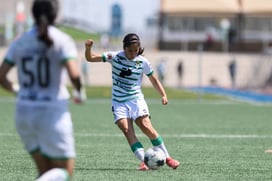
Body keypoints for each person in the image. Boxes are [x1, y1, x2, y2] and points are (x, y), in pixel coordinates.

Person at [0, 0, 85, 180]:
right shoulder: (62, 40)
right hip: (52, 113)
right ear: (55, 15)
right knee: (65, 171)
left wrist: (17, 90)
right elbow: (74, 75)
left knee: (46, 172)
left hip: (23, 113)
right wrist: (79, 92)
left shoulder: (20, 41)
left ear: (33, 15)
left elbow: (2, 76)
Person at [84, 33, 180, 171]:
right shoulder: (115, 57)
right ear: (124, 48)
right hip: (119, 103)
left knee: (146, 126)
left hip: (136, 100)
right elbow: (90, 58)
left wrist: (163, 94)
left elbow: (154, 79)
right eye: (130, 50)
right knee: (127, 130)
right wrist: (88, 48)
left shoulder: (143, 61)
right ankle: (145, 161)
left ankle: (168, 158)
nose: (133, 53)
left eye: (136, 50)